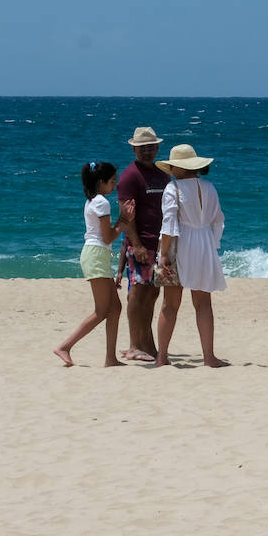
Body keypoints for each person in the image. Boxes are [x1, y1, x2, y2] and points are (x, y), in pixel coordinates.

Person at [154, 144, 229, 368]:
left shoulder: (172, 189)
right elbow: (218, 221)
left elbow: (169, 225)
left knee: (170, 304)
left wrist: (164, 254)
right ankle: (209, 357)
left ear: (177, 168)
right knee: (203, 303)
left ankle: (162, 357)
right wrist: (211, 245)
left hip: (180, 245)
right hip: (204, 245)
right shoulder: (209, 187)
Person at [54, 163, 133, 367]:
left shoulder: (92, 201)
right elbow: (108, 237)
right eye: (112, 181)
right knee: (102, 311)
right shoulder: (101, 203)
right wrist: (123, 221)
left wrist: (122, 221)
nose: (114, 185)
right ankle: (65, 346)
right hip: (96, 254)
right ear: (101, 182)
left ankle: (110, 358)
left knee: (115, 308)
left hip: (96, 254)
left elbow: (104, 237)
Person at [117, 126, 171, 363]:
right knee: (137, 295)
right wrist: (137, 245)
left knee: (152, 294)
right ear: (135, 149)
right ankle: (134, 345)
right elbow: (125, 215)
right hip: (141, 245)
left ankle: (146, 344)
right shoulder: (130, 176)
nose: (147, 152)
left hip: (160, 245)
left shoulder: (162, 174)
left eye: (151, 147)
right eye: (142, 148)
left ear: (157, 147)